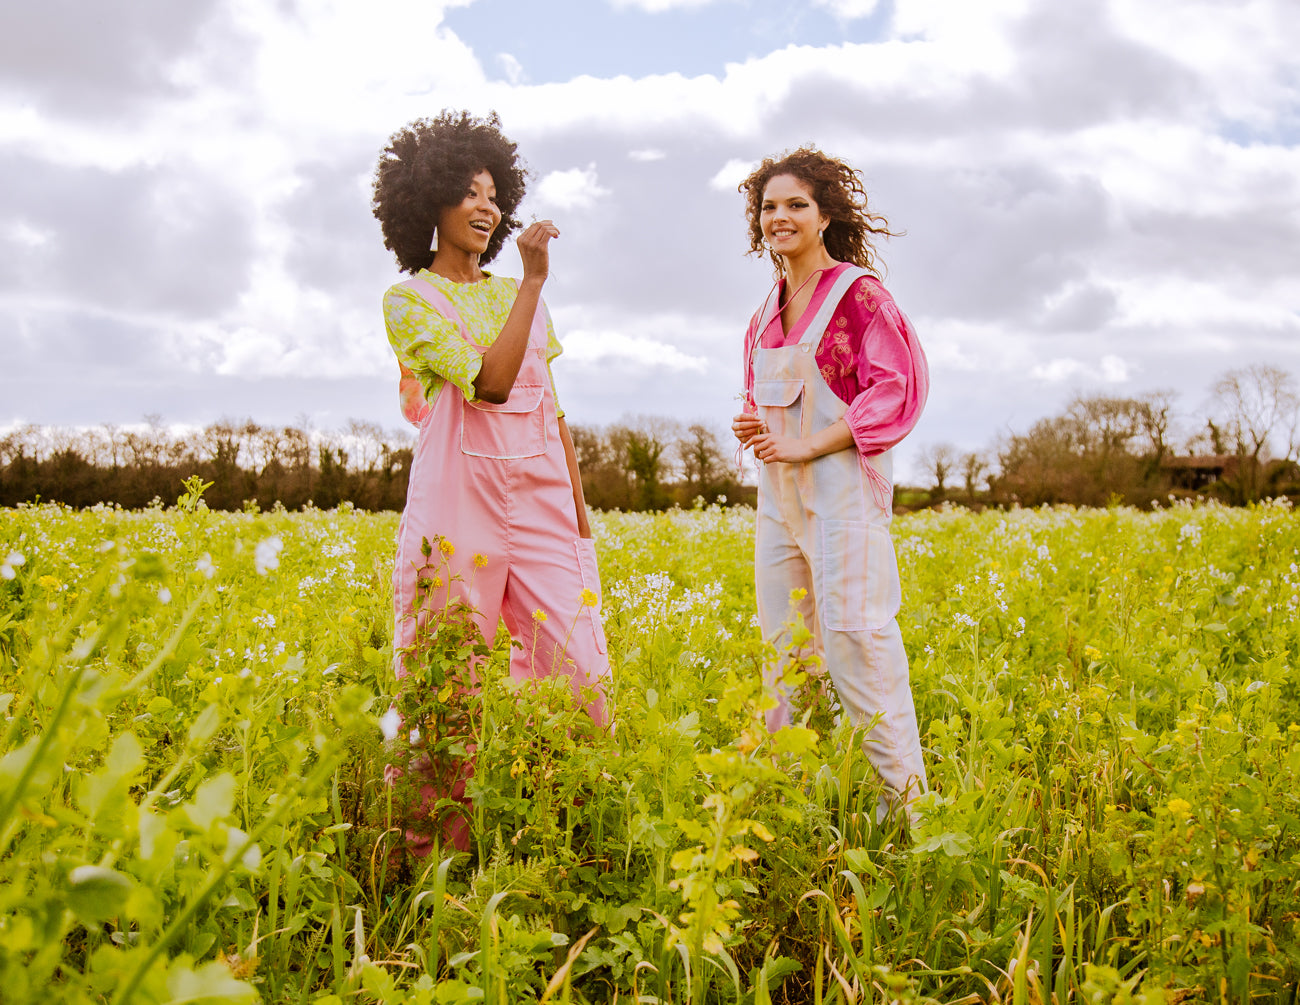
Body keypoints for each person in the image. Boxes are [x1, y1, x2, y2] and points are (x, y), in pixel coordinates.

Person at [372, 111, 610, 847]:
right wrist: (533, 283)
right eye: (467, 192)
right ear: (428, 204)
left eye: (492, 193)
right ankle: (432, 873)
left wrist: (578, 516)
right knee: (444, 696)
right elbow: (493, 382)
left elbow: (553, 408)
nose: (486, 206)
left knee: (582, 681)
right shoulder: (409, 299)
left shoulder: (518, 295)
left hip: (541, 502)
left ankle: (559, 846)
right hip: (457, 506)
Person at [731, 147, 928, 816]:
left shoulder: (857, 294)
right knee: (786, 649)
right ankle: (795, 805)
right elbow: (767, 401)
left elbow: (893, 389)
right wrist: (755, 428)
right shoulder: (764, 311)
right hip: (777, 500)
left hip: (842, 495)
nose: (779, 217)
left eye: (796, 205)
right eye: (768, 207)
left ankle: (905, 810)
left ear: (825, 216)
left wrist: (807, 442)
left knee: (857, 643)